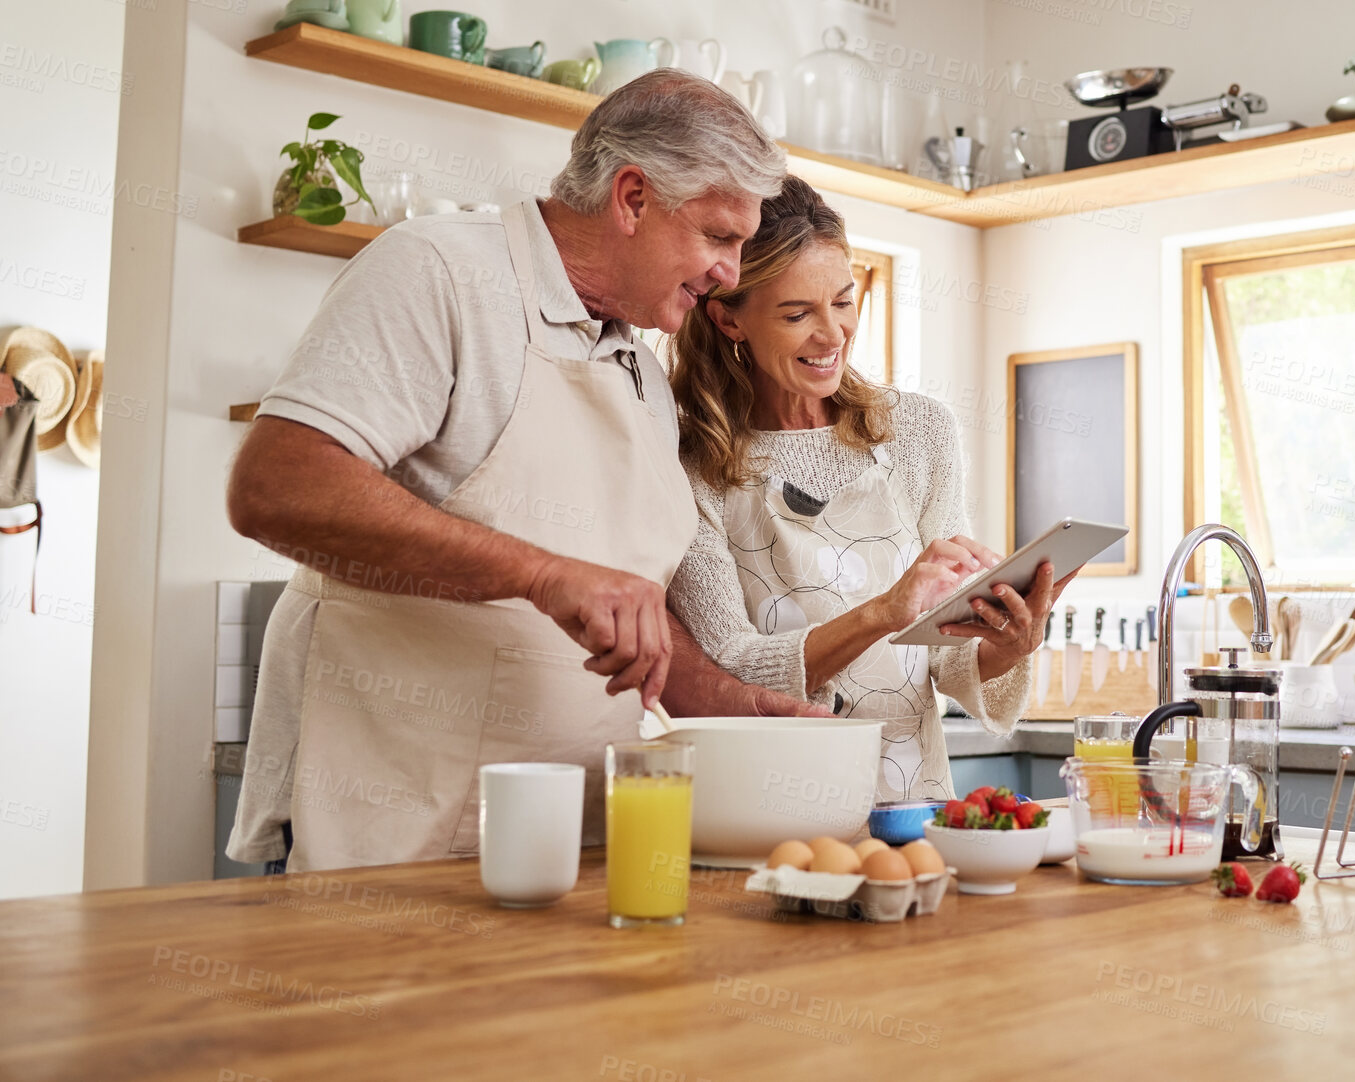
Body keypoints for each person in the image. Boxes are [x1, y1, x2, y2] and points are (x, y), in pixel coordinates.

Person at [225, 71, 823, 874]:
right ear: (633, 198)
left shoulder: (640, 367)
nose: (729, 271)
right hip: (389, 827)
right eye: (719, 236)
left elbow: (623, 603)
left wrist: (723, 703)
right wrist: (542, 574)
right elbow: (277, 486)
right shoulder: (438, 272)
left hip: (567, 844)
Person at [666, 177, 1069, 800]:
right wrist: (884, 612)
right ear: (727, 318)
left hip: (915, 801)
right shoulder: (692, 461)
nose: (833, 335)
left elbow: (947, 655)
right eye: (797, 314)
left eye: (844, 301)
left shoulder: (918, 432)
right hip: (773, 806)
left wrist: (1010, 643)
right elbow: (729, 668)